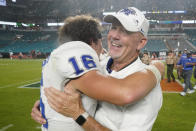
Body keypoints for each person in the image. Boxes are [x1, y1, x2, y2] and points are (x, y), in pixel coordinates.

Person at [32, 7, 164, 131]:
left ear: (141, 42)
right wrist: (47, 105)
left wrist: (79, 115)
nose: (115, 35)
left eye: (125, 31)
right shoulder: (100, 63)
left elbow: (126, 93)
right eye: (114, 27)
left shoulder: (147, 90)